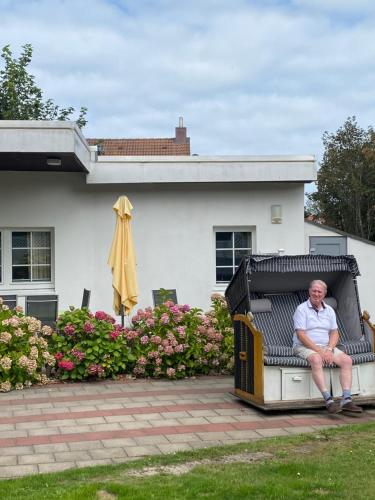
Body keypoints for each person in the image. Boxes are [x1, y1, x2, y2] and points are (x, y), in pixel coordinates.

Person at [293, 280, 362, 415]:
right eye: (314, 291)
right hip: (304, 346)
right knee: (317, 360)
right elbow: (301, 335)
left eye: (320, 291)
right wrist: (320, 351)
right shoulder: (301, 309)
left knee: (347, 360)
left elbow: (335, 332)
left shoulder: (329, 310)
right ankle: (328, 400)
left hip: (325, 346)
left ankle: (346, 400)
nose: (316, 294)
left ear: (324, 294)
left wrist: (329, 350)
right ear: (309, 291)